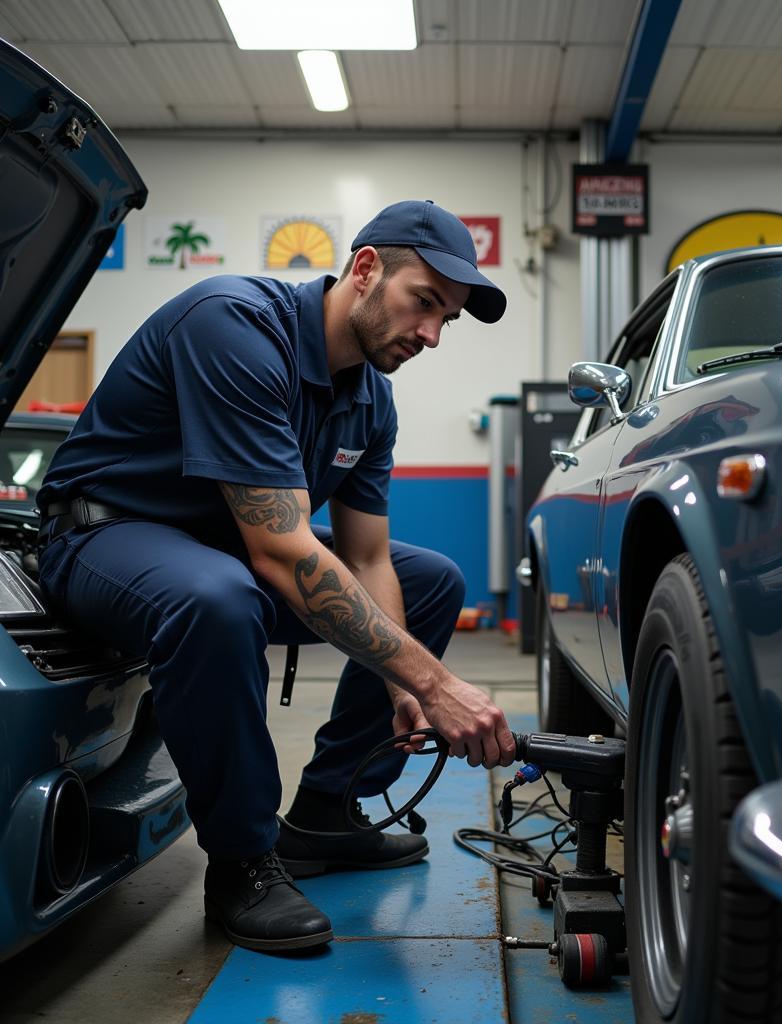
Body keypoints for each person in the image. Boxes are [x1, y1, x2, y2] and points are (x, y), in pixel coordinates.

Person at [35, 199, 518, 953]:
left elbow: (366, 560)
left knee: (432, 581)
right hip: (105, 534)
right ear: (364, 270)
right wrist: (435, 684)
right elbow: (282, 553)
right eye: (424, 302)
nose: (430, 334)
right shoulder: (233, 324)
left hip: (220, 548)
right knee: (219, 600)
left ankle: (327, 812)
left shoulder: (370, 402)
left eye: (446, 319)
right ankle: (241, 862)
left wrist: (398, 685)